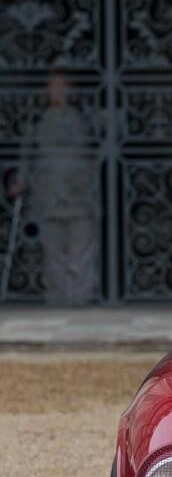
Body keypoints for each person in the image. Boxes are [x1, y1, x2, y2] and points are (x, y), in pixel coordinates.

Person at [11, 68, 98, 304]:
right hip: (48, 194)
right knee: (53, 254)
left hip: (80, 195)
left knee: (81, 252)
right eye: (54, 85)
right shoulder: (38, 121)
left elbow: (100, 149)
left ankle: (80, 299)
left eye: (63, 85)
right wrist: (21, 180)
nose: (58, 90)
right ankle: (58, 301)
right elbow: (27, 154)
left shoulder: (84, 119)